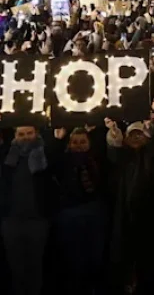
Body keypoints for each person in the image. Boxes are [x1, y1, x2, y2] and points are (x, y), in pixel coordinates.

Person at [106, 116, 154, 294]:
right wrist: (113, 133)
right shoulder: (123, 158)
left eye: (139, 135)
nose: (135, 138)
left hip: (149, 219)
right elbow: (114, 154)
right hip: (125, 218)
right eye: (132, 135)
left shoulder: (152, 156)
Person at [49, 126, 107, 295]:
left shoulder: (97, 159)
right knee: (74, 258)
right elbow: (51, 162)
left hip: (95, 211)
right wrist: (58, 140)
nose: (79, 145)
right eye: (75, 142)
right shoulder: (63, 160)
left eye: (82, 142)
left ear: (89, 143)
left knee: (96, 256)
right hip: (70, 212)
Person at [0, 124, 51, 295]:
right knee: (16, 269)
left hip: (37, 221)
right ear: (14, 136)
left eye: (29, 133)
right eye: (21, 134)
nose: (26, 137)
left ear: (36, 133)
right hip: (11, 221)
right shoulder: (6, 157)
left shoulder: (46, 155)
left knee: (36, 268)